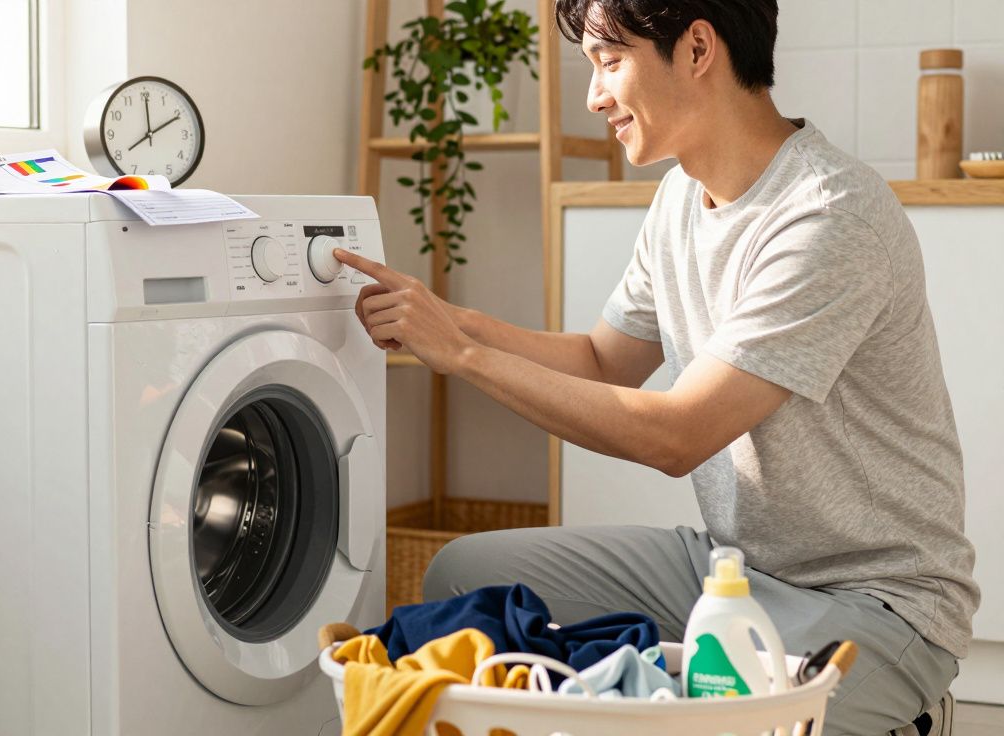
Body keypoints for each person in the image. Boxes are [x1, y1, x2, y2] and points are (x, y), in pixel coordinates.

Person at [332, 1, 978, 733]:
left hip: (878, 604)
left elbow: (679, 435)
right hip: (732, 570)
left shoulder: (828, 215)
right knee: (463, 579)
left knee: (703, 721)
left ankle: (901, 712)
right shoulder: (678, 198)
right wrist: (449, 325)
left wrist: (466, 356)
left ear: (698, 48)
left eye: (610, 62)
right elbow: (604, 363)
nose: (594, 95)